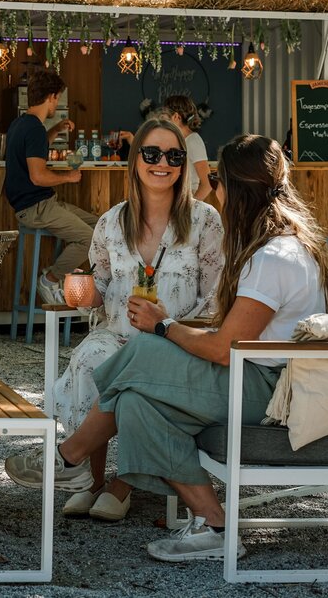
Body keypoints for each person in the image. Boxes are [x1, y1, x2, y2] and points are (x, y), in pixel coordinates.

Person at [5, 134, 328, 562]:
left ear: (239, 187)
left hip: (267, 390)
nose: (212, 184)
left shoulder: (274, 257)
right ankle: (216, 526)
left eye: (217, 176)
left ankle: (69, 457)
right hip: (253, 377)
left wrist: (164, 326)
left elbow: (223, 348)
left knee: (145, 351)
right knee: (134, 402)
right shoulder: (276, 248)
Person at [53, 117, 223, 521]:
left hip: (177, 338)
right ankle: (89, 480)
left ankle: (122, 484)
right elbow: (100, 286)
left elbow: (216, 295)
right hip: (116, 332)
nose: (162, 163)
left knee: (138, 377)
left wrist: (171, 327)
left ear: (183, 164)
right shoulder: (111, 222)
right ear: (135, 162)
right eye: (151, 154)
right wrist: (85, 292)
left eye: (174, 155)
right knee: (90, 361)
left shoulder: (204, 221)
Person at [5, 70, 98, 305]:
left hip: (39, 204)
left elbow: (34, 148)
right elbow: (37, 176)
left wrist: (55, 129)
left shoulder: (21, 124)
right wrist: (68, 177)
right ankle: (50, 278)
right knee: (88, 239)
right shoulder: (34, 128)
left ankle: (60, 277)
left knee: (99, 226)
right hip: (36, 207)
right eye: (59, 97)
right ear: (52, 96)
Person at [164, 95, 212, 201]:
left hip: (187, 200)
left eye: (165, 116)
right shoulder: (177, 140)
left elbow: (207, 183)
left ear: (176, 117)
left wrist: (192, 207)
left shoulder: (194, 140)